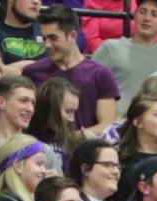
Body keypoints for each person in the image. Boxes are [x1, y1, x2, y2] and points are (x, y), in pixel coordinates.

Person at [22, 5, 118, 136]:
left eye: (53, 38)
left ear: (72, 36)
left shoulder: (100, 74)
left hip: (84, 152)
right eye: (44, 38)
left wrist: (68, 139)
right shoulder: (32, 72)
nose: (47, 45)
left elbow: (107, 125)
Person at [92, 0, 157, 115]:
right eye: (142, 12)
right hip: (116, 128)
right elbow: (88, 88)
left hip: (154, 127)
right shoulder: (111, 48)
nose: (147, 18)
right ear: (135, 14)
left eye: (154, 14)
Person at [0, 75, 41, 200]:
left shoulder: (43, 151)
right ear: (1, 102)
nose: (30, 109)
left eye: (32, 103)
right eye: (23, 100)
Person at [0, 0, 46, 73]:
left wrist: (9, 69)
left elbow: (56, 71)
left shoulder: (47, 33)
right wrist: (38, 69)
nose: (36, 1)